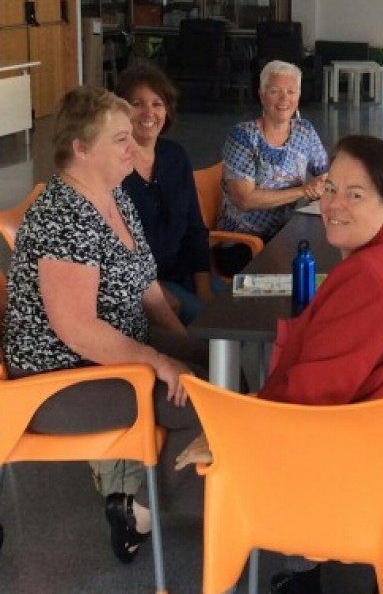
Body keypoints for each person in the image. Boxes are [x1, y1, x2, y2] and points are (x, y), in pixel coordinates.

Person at [176, 135, 383, 593]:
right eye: (330, 188)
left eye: (355, 194)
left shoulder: (368, 280)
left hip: (366, 484)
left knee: (208, 453)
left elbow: (309, 397)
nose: (334, 205)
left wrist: (229, 434)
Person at [1, 86, 202, 565]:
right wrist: (161, 360)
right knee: (201, 398)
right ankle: (146, 510)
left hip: (111, 351)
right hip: (56, 381)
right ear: (81, 149)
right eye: (120, 139)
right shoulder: (63, 213)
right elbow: (78, 330)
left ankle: (149, 498)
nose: (134, 146)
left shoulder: (113, 195)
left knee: (217, 363)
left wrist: (183, 343)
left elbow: (147, 286)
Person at [115, 61, 218, 324]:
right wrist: (155, 291)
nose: (148, 112)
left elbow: (195, 227)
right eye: (137, 104)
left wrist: (204, 285)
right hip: (143, 286)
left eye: (157, 103)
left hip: (185, 273)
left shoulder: (175, 157)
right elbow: (117, 254)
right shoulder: (112, 168)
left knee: (240, 312)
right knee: (212, 328)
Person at [216, 60, 329, 274]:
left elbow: (326, 173)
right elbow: (245, 200)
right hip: (243, 242)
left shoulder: (304, 130)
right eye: (275, 91)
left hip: (285, 233)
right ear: (261, 95)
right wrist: (304, 190)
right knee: (305, 272)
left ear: (299, 94)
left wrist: (327, 183)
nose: (284, 99)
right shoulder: (243, 137)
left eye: (291, 91)